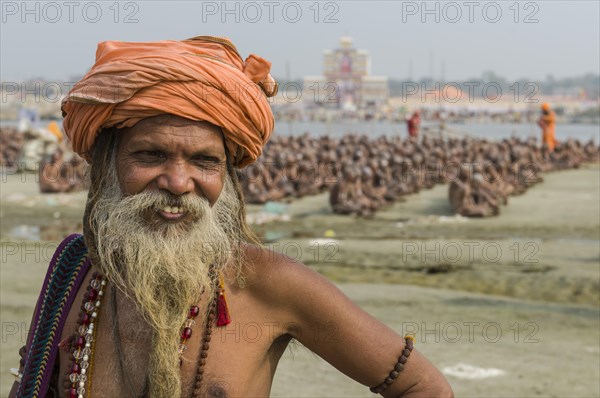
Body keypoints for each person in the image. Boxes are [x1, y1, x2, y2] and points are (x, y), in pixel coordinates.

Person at [9, 36, 452, 398]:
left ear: (228, 175)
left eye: (205, 162)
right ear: (108, 166)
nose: (179, 182)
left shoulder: (268, 282)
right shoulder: (74, 276)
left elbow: (422, 387)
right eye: (151, 155)